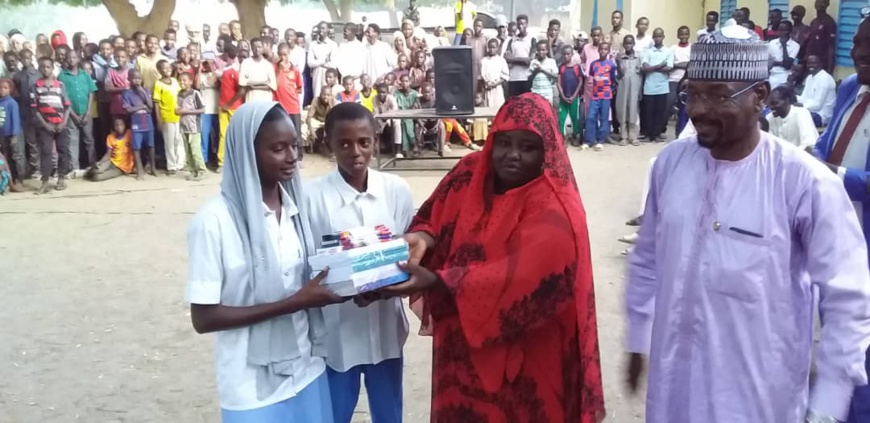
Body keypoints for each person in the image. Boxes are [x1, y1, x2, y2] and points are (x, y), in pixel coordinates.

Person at [625, 24, 870, 423]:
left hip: (756, 398)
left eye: (719, 95)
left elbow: (848, 299)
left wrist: (827, 405)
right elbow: (648, 256)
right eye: (693, 93)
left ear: (759, 97)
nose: (699, 109)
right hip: (673, 389)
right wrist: (638, 335)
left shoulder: (804, 182)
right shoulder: (670, 164)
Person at [375, 92, 605, 422]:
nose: (512, 155)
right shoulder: (470, 172)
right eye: (504, 142)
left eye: (527, 147)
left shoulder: (555, 205)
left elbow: (528, 276)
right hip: (462, 349)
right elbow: (434, 215)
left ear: (547, 151)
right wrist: (424, 237)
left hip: (526, 357)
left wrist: (441, 280)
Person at [185, 101, 341, 423]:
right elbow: (203, 318)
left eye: (295, 146)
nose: (292, 158)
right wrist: (294, 303)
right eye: (278, 148)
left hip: (307, 368)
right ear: (246, 152)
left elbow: (311, 279)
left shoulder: (298, 210)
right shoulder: (215, 221)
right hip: (252, 384)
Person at [303, 102, 413, 423]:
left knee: (389, 412)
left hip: (386, 326)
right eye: (344, 143)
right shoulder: (312, 197)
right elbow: (308, 262)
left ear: (375, 141)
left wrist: (386, 285)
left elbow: (406, 247)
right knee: (335, 412)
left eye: (364, 142)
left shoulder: (395, 191)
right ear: (329, 144)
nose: (356, 152)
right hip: (337, 330)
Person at [31, 56, 71, 194]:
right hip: (45, 125)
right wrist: (45, 124)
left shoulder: (60, 85)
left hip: (61, 124)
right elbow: (35, 110)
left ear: (53, 67)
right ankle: (45, 181)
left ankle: (61, 178)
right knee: (46, 152)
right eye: (42, 67)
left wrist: (64, 123)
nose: (45, 69)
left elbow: (67, 106)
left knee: (63, 151)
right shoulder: (35, 86)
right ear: (39, 68)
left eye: (48, 67)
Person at [58, 50, 97, 174]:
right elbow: (63, 97)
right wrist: (72, 114)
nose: (71, 60)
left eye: (74, 57)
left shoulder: (84, 75)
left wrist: (87, 112)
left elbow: (91, 92)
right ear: (65, 59)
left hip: (86, 112)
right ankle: (74, 168)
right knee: (73, 141)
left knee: (89, 140)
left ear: (78, 59)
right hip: (71, 114)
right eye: (69, 57)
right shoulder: (62, 76)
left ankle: (92, 165)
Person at [641, 28, 673, 142]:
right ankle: (648, 134)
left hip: (662, 87)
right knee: (648, 112)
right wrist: (659, 65)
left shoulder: (668, 51)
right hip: (649, 87)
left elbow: (669, 68)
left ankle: (657, 134)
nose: (657, 38)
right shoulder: (648, 52)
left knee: (660, 112)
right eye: (655, 36)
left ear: (663, 37)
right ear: (653, 38)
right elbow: (645, 68)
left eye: (660, 36)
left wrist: (652, 68)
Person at [122, 69, 155, 180]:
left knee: (151, 145)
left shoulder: (146, 91)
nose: (137, 81)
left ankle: (153, 168)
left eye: (139, 78)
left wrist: (144, 93)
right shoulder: (127, 93)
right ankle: (140, 171)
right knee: (136, 148)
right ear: (129, 79)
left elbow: (150, 107)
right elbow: (128, 109)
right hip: (136, 123)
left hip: (148, 122)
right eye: (134, 78)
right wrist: (142, 107)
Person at [13, 48, 40, 178]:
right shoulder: (17, 76)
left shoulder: (38, 74)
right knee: (31, 142)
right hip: (25, 112)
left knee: (43, 140)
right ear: (20, 59)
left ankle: (48, 167)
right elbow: (16, 94)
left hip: (40, 112)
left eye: (28, 57)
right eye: (23, 58)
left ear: (32, 57)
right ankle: (35, 168)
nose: (26, 60)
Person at [153, 59, 183, 175]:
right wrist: (159, 119)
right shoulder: (158, 84)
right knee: (169, 142)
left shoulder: (175, 81)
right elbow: (156, 102)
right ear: (159, 70)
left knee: (178, 140)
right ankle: (171, 166)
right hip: (166, 116)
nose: (167, 70)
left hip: (178, 115)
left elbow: (180, 95)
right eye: (164, 68)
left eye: (169, 67)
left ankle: (180, 163)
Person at [585, 42, 617, 151]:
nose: (603, 51)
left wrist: (607, 87)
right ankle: (589, 140)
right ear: (598, 50)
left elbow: (613, 79)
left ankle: (600, 141)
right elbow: (592, 76)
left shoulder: (611, 64)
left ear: (608, 51)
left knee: (604, 118)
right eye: (601, 49)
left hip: (606, 95)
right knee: (591, 117)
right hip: (595, 95)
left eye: (605, 49)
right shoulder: (593, 64)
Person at [765, 85, 818, 151]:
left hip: (803, 157)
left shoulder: (801, 113)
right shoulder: (769, 118)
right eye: (769, 104)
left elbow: (809, 145)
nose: (771, 107)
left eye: (775, 103)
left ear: (787, 100)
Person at [218, 44, 245, 173]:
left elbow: (241, 91)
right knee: (224, 134)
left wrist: (228, 104)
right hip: (224, 106)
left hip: (232, 106)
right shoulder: (227, 70)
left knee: (234, 134)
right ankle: (222, 162)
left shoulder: (235, 71)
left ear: (227, 55)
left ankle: (235, 161)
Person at [176, 72, 207, 181]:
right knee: (187, 151)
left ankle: (201, 171)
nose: (182, 82)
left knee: (195, 150)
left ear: (190, 81)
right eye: (180, 80)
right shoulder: (179, 94)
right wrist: (178, 112)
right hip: (184, 126)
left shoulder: (195, 94)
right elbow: (178, 108)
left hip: (194, 126)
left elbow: (202, 109)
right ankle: (193, 171)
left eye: (184, 80)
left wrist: (187, 111)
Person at [86, 116, 132, 181]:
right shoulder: (110, 137)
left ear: (125, 125)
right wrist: (100, 162)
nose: (119, 127)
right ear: (114, 127)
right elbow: (108, 154)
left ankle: (88, 172)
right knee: (97, 170)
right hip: (111, 161)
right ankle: (87, 172)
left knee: (97, 177)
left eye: (121, 125)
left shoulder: (129, 133)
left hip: (121, 168)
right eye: (116, 125)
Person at [616, 34, 642, 146]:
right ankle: (623, 136)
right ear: (623, 44)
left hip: (635, 88)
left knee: (633, 110)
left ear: (634, 44)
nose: (628, 45)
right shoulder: (620, 57)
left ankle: (633, 136)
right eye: (626, 43)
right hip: (623, 87)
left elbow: (641, 75)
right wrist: (618, 62)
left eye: (630, 43)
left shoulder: (638, 58)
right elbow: (620, 74)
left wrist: (640, 90)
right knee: (622, 110)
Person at [797, 54, 836, 127]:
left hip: (821, 116)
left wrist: (800, 105)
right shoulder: (809, 78)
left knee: (795, 117)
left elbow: (817, 106)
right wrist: (791, 99)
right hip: (809, 111)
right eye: (808, 63)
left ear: (821, 64)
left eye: (813, 63)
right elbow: (803, 98)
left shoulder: (825, 79)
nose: (810, 65)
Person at [556, 45, 583, 146]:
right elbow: (558, 82)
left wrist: (574, 96)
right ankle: (562, 137)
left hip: (574, 98)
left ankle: (575, 135)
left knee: (574, 118)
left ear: (572, 54)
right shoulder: (561, 67)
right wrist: (562, 95)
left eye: (568, 54)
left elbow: (580, 82)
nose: (566, 56)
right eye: (564, 54)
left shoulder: (577, 67)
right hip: (563, 98)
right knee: (562, 118)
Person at [802, 0, 837, 73]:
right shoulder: (814, 22)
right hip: (811, 61)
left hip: (822, 62)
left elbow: (831, 46)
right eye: (817, 1)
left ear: (827, 5)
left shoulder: (829, 22)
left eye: (823, 2)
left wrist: (830, 68)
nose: (819, 4)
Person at [0, 78, 23, 191]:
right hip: (2, 136)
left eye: (5, 88)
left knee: (16, 157)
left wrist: (14, 135)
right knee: (5, 158)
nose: (2, 90)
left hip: (12, 135)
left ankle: (19, 178)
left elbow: (15, 120)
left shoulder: (12, 103)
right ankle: (8, 179)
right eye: (0, 88)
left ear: (10, 89)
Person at [504, 15, 534, 97]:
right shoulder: (512, 40)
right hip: (513, 78)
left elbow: (529, 61)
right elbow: (506, 57)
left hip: (526, 77)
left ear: (527, 24)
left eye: (523, 24)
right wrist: (523, 60)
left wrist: (513, 59)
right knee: (514, 104)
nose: (520, 26)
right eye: (519, 24)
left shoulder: (532, 39)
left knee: (526, 104)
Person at [668, 27, 691, 135]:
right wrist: (685, 64)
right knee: (670, 101)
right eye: (681, 34)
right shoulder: (673, 48)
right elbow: (670, 65)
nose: (684, 36)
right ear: (678, 35)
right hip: (673, 79)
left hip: (687, 80)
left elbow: (691, 65)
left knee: (684, 107)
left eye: (686, 34)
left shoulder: (692, 48)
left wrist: (678, 64)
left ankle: (682, 130)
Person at [240, 38, 277, 102]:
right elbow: (243, 83)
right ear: (251, 48)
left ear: (262, 48)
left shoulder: (268, 65)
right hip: (251, 100)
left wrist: (253, 86)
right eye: (254, 47)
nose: (257, 49)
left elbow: (273, 86)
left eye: (259, 47)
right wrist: (264, 82)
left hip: (265, 101)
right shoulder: (246, 63)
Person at [197, 59, 220, 165]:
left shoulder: (217, 74)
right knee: (204, 134)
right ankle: (204, 158)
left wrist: (212, 68)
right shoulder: (201, 75)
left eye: (209, 63)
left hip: (216, 108)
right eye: (205, 63)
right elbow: (197, 86)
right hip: (205, 109)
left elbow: (214, 83)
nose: (207, 65)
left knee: (217, 135)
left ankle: (216, 156)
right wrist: (199, 68)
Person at [309, 22, 337, 100]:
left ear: (328, 29)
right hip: (317, 74)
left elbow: (333, 64)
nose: (321, 30)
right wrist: (324, 60)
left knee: (328, 97)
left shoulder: (333, 45)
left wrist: (317, 62)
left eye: (323, 28)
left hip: (328, 74)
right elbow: (310, 63)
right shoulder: (313, 44)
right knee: (317, 96)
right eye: (319, 28)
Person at [768, 20, 799, 88]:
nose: (782, 33)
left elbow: (787, 65)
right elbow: (768, 62)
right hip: (772, 75)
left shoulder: (795, 45)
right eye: (780, 30)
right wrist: (778, 63)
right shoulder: (772, 43)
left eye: (785, 30)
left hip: (785, 75)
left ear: (790, 31)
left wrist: (784, 45)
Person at [393, 74, 419, 157]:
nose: (404, 83)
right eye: (402, 81)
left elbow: (417, 107)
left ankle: (406, 148)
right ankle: (413, 145)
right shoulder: (397, 93)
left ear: (410, 82)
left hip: (412, 116)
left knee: (406, 121)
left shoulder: (415, 94)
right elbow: (395, 106)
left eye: (406, 81)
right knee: (404, 122)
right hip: (400, 115)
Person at [305, 86, 335, 155]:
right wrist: (311, 129)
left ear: (331, 95)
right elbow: (309, 117)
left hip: (329, 121)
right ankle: (310, 146)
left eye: (328, 95)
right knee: (306, 126)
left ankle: (332, 149)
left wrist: (330, 105)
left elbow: (335, 117)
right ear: (320, 94)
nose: (325, 97)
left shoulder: (334, 101)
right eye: (324, 94)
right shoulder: (316, 100)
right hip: (318, 120)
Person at [335, 23, 365, 91]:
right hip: (344, 79)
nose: (344, 33)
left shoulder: (360, 46)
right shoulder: (342, 45)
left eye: (346, 31)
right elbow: (339, 62)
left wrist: (353, 76)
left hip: (356, 80)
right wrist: (345, 75)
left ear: (353, 32)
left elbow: (361, 64)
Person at [480, 38, 508, 110]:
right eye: (490, 47)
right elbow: (481, 75)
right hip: (487, 88)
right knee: (487, 108)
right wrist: (486, 83)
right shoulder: (484, 61)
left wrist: (495, 84)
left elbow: (505, 76)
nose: (491, 49)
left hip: (497, 88)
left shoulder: (501, 60)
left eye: (493, 47)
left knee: (498, 109)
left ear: (497, 48)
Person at [529, 40, 558, 106]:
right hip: (535, 93)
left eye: (543, 50)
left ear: (547, 51)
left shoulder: (551, 62)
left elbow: (556, 76)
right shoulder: (533, 62)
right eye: (539, 50)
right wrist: (535, 72)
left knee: (547, 113)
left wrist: (543, 70)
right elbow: (529, 78)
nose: (541, 52)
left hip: (547, 94)